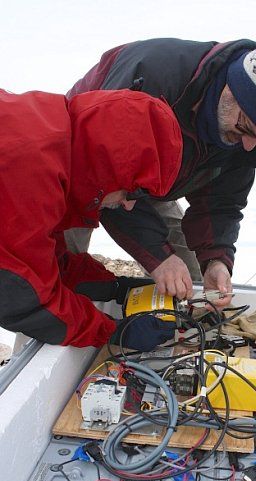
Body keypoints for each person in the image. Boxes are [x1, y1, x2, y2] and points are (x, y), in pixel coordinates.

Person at [67, 39, 256, 308]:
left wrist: (217, 259)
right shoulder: (152, 80)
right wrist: (159, 257)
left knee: (188, 284)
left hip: (157, 182)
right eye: (246, 127)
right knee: (59, 277)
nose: (248, 145)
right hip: (76, 169)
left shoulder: (244, 137)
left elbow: (223, 202)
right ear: (232, 87)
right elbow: (109, 177)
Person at [0, 88, 183, 350]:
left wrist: (115, 288)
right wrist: (113, 331)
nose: (128, 205)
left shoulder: (54, 144)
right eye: (133, 190)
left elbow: (49, 263)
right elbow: (22, 297)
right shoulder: (30, 167)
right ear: (109, 164)